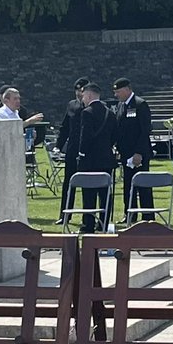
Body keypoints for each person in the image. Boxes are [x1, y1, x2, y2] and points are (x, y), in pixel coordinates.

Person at [74, 82, 117, 232]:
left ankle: (89, 224)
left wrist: (81, 153)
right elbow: (114, 135)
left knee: (89, 194)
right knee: (105, 194)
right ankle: (104, 223)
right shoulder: (109, 113)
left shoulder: (87, 113)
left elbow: (85, 137)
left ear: (89, 95)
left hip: (90, 159)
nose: (82, 98)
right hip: (106, 158)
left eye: (84, 95)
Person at [112, 77, 153, 222]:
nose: (116, 95)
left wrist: (139, 152)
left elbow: (145, 130)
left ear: (127, 89)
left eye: (118, 91)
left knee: (143, 185)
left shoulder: (140, 104)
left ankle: (148, 216)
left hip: (138, 153)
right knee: (128, 186)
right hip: (125, 153)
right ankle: (130, 214)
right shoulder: (120, 106)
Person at [53, 77, 88, 222]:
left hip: (88, 152)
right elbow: (65, 127)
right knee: (68, 184)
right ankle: (65, 215)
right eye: (77, 91)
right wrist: (58, 145)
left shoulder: (94, 106)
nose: (79, 94)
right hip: (72, 151)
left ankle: (88, 217)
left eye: (82, 91)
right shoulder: (72, 105)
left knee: (88, 184)